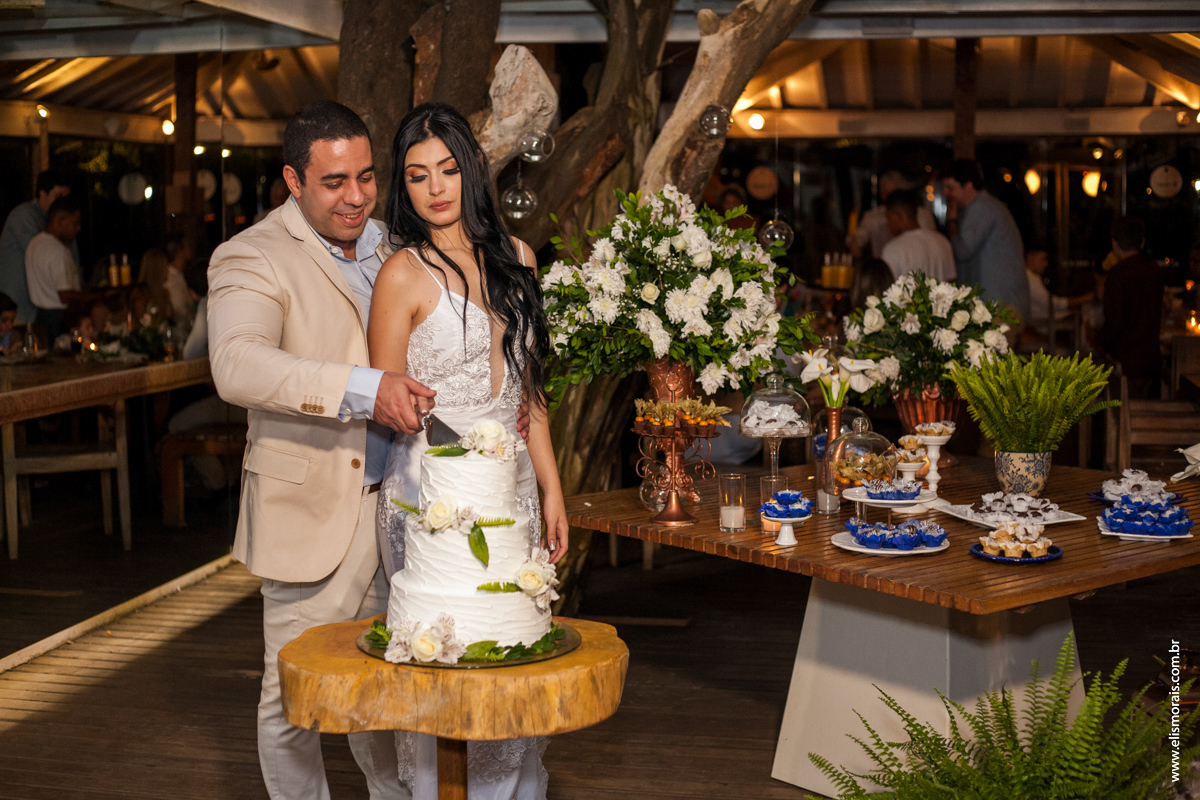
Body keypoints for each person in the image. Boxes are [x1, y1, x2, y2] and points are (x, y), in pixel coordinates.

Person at [207, 99, 440, 800]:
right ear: (293, 180)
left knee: (388, 689)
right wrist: (367, 389)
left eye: (366, 177)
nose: (357, 196)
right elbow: (238, 366)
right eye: (335, 182)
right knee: (293, 703)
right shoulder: (251, 254)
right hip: (311, 512)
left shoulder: (394, 244)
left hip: (402, 513)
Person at [371, 102, 567, 800]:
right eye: (418, 175)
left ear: (472, 172)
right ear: (405, 186)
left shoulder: (519, 259)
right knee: (448, 665)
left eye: (449, 169)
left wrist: (551, 490)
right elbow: (389, 403)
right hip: (432, 494)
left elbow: (530, 395)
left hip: (510, 488)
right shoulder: (401, 274)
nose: (436, 187)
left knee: (511, 656)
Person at [943, 160, 1030, 324]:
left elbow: (962, 250)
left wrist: (951, 221)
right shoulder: (975, 209)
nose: (946, 193)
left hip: (1001, 308)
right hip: (995, 307)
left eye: (951, 188)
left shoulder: (982, 208)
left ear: (968, 186)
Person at [1099, 217, 1163, 398]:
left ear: (1115, 243)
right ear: (1142, 243)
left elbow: (1115, 324)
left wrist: (1097, 341)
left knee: (1122, 415)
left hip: (1125, 362)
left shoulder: (1118, 275)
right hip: (1151, 361)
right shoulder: (1154, 272)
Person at [0, 170, 73, 323]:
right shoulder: (24, 215)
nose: (63, 203)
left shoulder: (60, 222)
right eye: (59, 196)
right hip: (17, 308)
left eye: (66, 198)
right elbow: (44, 254)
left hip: (38, 308)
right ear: (42, 194)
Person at [25, 196, 82, 340]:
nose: (78, 228)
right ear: (60, 221)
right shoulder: (56, 249)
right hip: (58, 319)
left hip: (41, 317)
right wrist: (95, 297)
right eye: (74, 223)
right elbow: (65, 295)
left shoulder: (34, 243)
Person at [847, 170, 935, 260]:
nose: (886, 197)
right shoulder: (872, 215)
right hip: (883, 269)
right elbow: (858, 236)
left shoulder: (923, 215)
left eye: (891, 193)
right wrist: (854, 242)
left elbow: (931, 244)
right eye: (883, 193)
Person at [879, 189, 955, 282]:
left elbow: (886, 289)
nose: (888, 224)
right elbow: (952, 282)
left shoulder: (893, 249)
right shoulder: (942, 241)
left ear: (898, 216)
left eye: (888, 217)